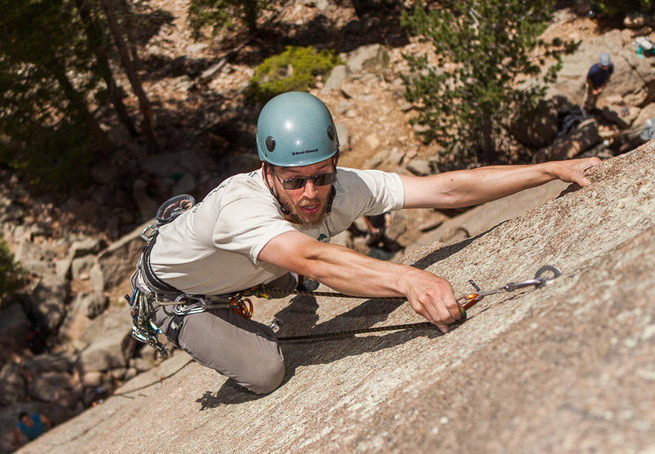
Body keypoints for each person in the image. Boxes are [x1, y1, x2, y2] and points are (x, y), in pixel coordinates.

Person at [130, 91, 598, 395]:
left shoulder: (346, 185)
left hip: (256, 260)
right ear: (267, 169)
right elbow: (311, 257)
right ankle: (184, 315)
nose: (310, 194)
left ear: (334, 161)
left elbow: (445, 189)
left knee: (291, 269)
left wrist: (549, 171)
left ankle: (255, 279)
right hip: (176, 294)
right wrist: (409, 280)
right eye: (294, 182)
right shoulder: (240, 206)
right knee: (265, 371)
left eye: (321, 176)